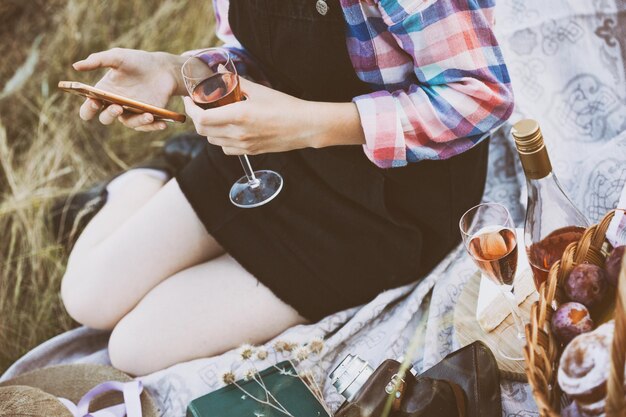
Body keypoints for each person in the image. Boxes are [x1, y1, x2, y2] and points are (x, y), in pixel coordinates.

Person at [61, 0, 513, 376]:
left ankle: (168, 171)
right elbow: (256, 53)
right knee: (86, 297)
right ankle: (146, 177)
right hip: (267, 153)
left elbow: (480, 96)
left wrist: (307, 126)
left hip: (388, 202)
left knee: (133, 349)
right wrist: (175, 71)